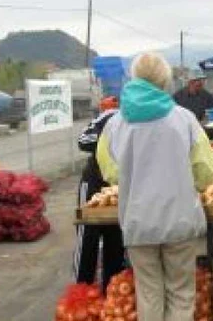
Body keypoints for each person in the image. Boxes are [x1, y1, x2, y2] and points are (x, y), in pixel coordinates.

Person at [96, 52, 213, 321]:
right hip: (179, 219)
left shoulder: (115, 124)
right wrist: (187, 183)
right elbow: (207, 171)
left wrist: (136, 177)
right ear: (165, 80)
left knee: (149, 293)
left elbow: (110, 172)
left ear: (135, 78)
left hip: (138, 221)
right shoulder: (184, 119)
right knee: (181, 292)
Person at [74, 97, 125, 292]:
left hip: (119, 189)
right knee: (88, 238)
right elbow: (83, 141)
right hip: (95, 185)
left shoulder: (148, 120)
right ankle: (81, 293)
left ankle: (110, 294)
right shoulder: (110, 117)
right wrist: (110, 137)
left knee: (116, 241)